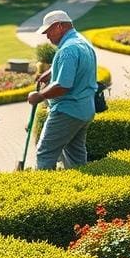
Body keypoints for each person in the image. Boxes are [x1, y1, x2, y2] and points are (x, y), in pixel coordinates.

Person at [27, 10, 98, 169]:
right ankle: (81, 189)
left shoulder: (67, 50)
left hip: (68, 110)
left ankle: (46, 191)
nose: (47, 36)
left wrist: (39, 96)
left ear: (59, 26)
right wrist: (52, 71)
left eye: (49, 31)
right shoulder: (81, 42)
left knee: (44, 153)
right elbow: (74, 66)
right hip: (84, 109)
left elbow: (62, 86)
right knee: (75, 155)